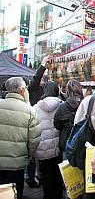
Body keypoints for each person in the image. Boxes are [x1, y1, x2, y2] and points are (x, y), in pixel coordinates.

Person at [0, 77, 41, 199]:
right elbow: (34, 140)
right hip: (17, 163)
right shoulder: (29, 110)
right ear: (23, 90)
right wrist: (27, 155)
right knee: (16, 193)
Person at [33, 81, 63, 199]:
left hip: (43, 150)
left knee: (46, 178)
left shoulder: (35, 108)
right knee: (58, 176)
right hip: (58, 149)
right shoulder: (62, 105)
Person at [25, 55, 50, 188]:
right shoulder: (33, 88)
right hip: (33, 123)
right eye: (42, 77)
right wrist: (43, 64)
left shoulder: (44, 90)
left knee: (38, 154)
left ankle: (37, 176)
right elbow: (35, 80)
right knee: (32, 154)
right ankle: (30, 178)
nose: (43, 79)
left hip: (41, 125)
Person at [54, 79, 84, 158]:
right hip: (83, 141)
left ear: (68, 91)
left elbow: (56, 124)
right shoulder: (85, 103)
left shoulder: (63, 107)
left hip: (67, 141)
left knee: (67, 168)